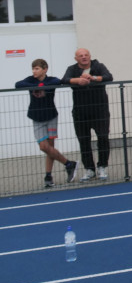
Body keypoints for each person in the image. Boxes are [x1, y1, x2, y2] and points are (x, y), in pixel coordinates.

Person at [16, 59, 77, 187]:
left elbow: (57, 81)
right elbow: (18, 84)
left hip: (51, 117)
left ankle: (48, 176)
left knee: (50, 147)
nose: (34, 71)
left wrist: (41, 86)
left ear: (45, 69)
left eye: (37, 69)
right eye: (33, 68)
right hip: (37, 117)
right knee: (44, 147)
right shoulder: (30, 80)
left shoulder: (51, 80)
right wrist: (37, 86)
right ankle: (69, 164)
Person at [61, 48, 113, 181]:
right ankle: (89, 169)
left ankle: (102, 167)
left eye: (86, 55)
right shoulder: (72, 69)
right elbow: (64, 80)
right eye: (80, 56)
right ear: (76, 58)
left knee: (103, 137)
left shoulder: (98, 66)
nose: (84, 57)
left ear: (90, 56)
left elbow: (109, 77)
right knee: (84, 141)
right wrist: (77, 81)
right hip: (80, 113)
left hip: (100, 111)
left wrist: (93, 78)